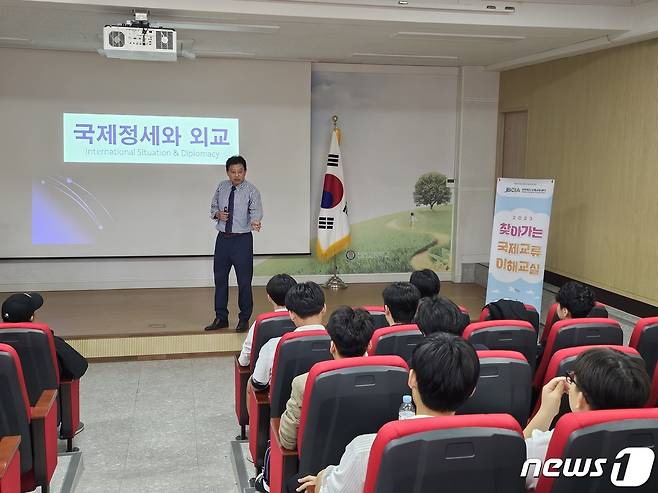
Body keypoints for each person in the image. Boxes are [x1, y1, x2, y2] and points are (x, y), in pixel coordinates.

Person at [291, 332, 480, 493]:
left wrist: (323, 478)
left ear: (412, 378)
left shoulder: (367, 449)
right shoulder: (497, 446)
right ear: (472, 390)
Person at [254, 307, 374, 492]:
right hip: (371, 469)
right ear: (369, 345)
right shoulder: (398, 376)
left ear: (332, 345)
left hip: (317, 473)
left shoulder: (306, 382)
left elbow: (286, 440)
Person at [523, 347, 651, 491]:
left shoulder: (550, 446)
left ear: (581, 399)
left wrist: (545, 412)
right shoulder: (648, 444)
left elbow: (514, 464)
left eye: (572, 378)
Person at [1, 292, 88, 436]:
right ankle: (68, 428)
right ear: (31, 317)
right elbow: (79, 366)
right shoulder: (46, 340)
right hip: (43, 411)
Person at [205, 155, 263, 333]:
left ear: (245, 172)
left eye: (240, 172)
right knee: (220, 280)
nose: (236, 175)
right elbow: (213, 207)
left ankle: (244, 319)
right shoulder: (222, 187)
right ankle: (221, 317)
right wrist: (217, 215)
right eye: (233, 172)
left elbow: (256, 210)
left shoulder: (252, 191)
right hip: (223, 239)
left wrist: (255, 221)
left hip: (242, 240)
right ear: (227, 172)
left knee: (244, 281)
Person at [251, 282, 326, 390]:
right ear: (324, 308)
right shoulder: (338, 343)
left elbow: (258, 384)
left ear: (291, 314)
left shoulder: (274, 345)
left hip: (284, 406)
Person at [238, 274, 297, 367]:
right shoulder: (302, 319)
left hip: (263, 377)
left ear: (269, 297)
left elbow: (244, 360)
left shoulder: (261, 323)